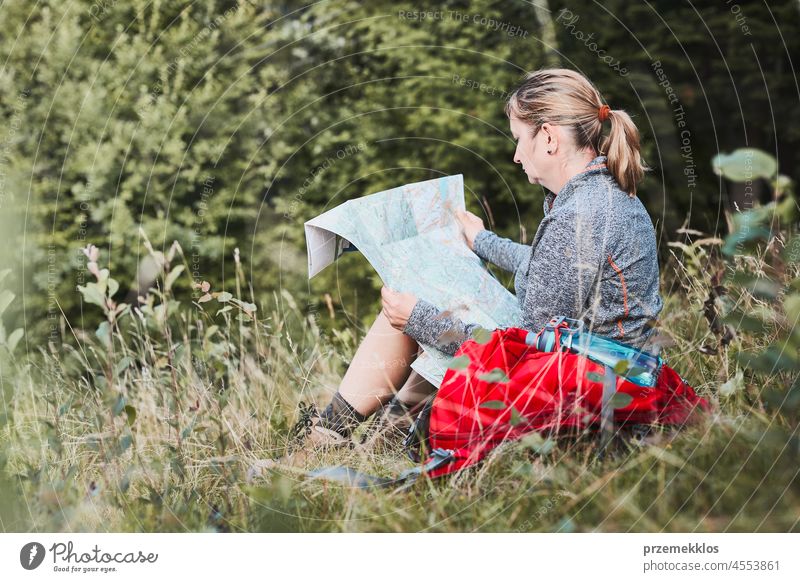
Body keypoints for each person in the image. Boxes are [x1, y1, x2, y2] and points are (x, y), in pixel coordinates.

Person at [260, 68, 663, 469]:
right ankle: (372, 438)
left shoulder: (579, 215)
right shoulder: (602, 196)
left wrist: (419, 318)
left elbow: (518, 355)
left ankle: (332, 439)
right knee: (424, 315)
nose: (516, 154)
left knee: (411, 317)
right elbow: (545, 268)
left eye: (520, 140)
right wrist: (482, 241)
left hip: (585, 391)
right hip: (612, 372)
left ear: (549, 138)